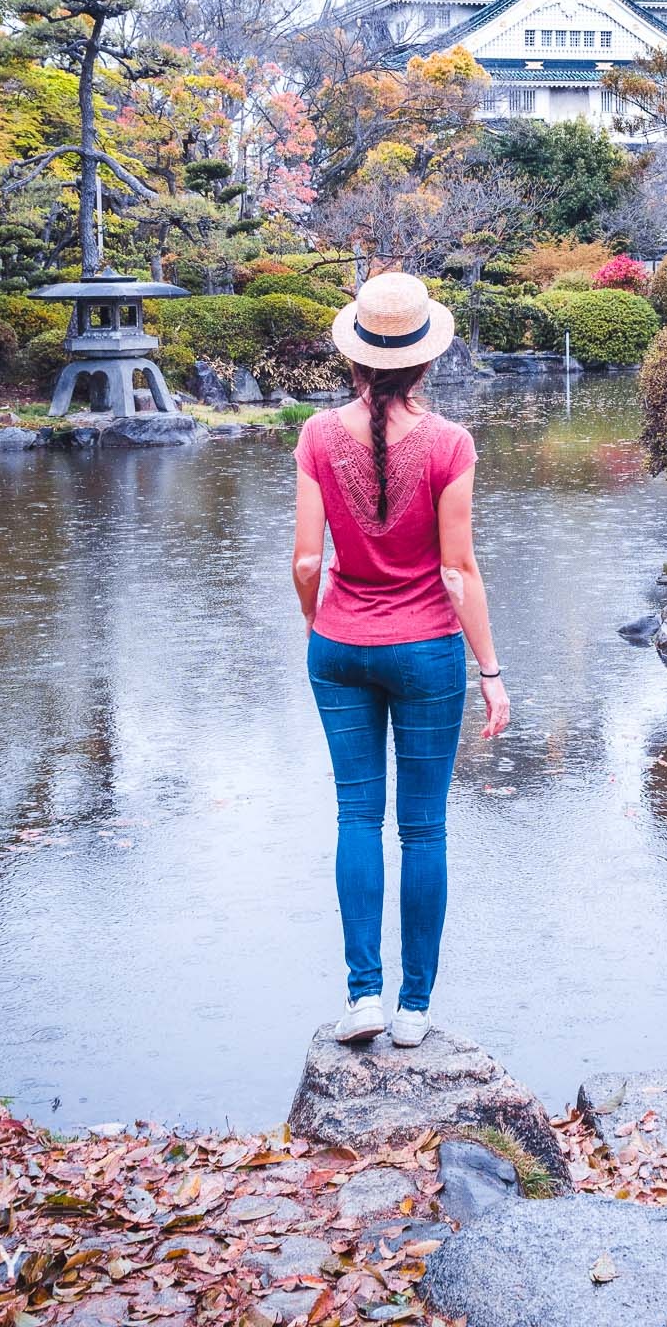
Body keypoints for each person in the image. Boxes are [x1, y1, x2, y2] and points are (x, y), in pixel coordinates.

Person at [291, 271, 509, 1050]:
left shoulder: (316, 436)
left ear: (354, 361)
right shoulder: (450, 442)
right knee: (422, 831)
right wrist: (489, 671)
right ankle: (414, 1011)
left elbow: (307, 563)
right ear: (425, 363)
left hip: (340, 648)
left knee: (357, 816)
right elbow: (457, 571)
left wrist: (323, 630)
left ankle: (363, 999)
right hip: (426, 654)